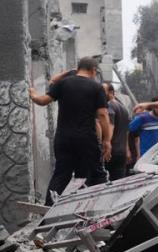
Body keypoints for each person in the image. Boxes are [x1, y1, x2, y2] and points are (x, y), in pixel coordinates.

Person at [30, 57, 110, 205]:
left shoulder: (63, 83)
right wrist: (106, 140)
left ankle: (48, 209)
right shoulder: (96, 87)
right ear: (93, 70)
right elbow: (103, 115)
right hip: (86, 139)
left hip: (63, 138)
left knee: (61, 174)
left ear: (78, 69)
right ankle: (101, 208)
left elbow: (42, 100)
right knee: (96, 174)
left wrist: (33, 94)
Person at [102, 83, 131, 181]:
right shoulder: (124, 109)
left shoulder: (109, 106)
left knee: (102, 183)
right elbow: (127, 132)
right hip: (121, 152)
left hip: (110, 152)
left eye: (102, 91)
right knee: (118, 182)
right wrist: (127, 150)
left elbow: (111, 127)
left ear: (111, 92)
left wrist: (107, 144)